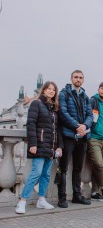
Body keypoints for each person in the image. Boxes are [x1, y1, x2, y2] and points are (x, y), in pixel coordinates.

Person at [15, 82, 63, 214]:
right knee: (35, 173)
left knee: (46, 174)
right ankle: (22, 201)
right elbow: (31, 124)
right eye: (49, 89)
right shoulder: (36, 103)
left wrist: (59, 146)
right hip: (40, 145)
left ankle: (41, 199)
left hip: (51, 147)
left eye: (54, 90)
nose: (51, 91)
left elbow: (57, 129)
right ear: (44, 90)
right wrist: (33, 144)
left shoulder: (54, 108)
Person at [57, 70, 93, 208]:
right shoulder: (64, 94)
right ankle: (62, 197)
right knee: (63, 168)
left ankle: (77, 195)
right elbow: (63, 113)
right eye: (76, 77)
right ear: (71, 78)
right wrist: (77, 126)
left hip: (82, 137)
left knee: (78, 168)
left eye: (80, 77)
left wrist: (84, 126)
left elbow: (90, 115)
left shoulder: (85, 96)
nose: (78, 79)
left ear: (83, 80)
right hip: (68, 136)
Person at [87, 82, 103, 202]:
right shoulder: (93, 101)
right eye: (102, 89)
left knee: (98, 166)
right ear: (98, 90)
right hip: (94, 138)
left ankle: (94, 192)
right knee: (99, 164)